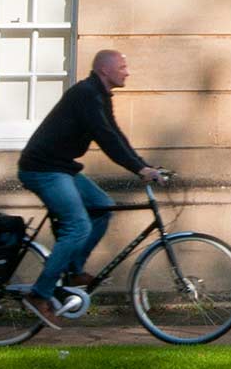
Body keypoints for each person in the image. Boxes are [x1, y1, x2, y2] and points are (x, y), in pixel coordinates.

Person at [16, 49, 162, 329]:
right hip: (42, 168)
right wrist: (139, 169)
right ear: (104, 70)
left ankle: (73, 272)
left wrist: (144, 166)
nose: (127, 72)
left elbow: (115, 133)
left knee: (102, 208)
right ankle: (40, 294)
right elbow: (105, 136)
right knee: (78, 227)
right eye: (122, 66)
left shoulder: (99, 95)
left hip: (62, 167)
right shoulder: (86, 94)